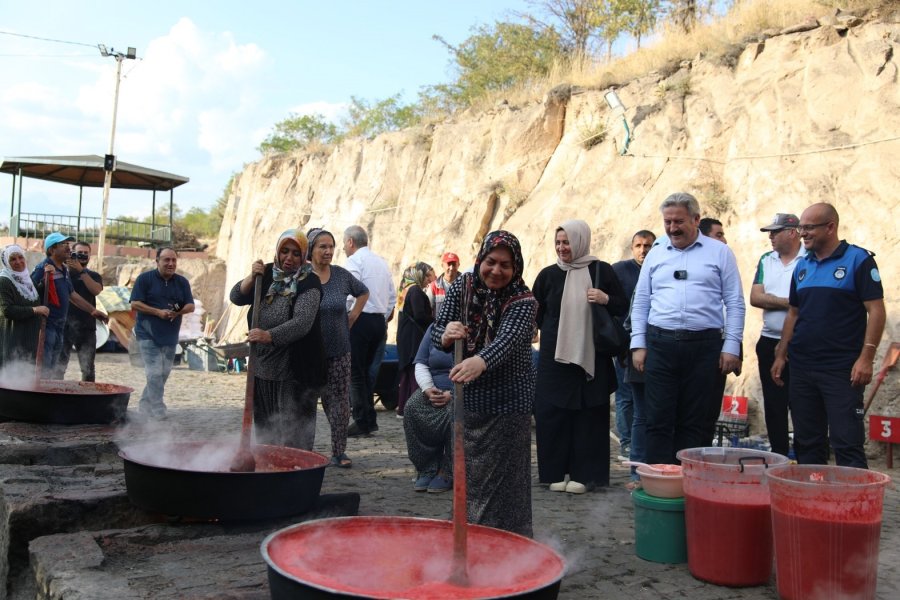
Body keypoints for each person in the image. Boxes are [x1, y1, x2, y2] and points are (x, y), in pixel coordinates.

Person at [433, 230, 538, 537]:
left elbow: (509, 339)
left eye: (505, 265)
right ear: (480, 259)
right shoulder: (462, 286)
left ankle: (508, 543)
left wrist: (481, 361)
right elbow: (439, 327)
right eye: (491, 262)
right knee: (468, 474)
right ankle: (468, 539)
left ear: (515, 267)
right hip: (468, 397)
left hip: (510, 399)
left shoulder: (524, 299)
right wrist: (446, 332)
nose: (496, 270)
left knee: (506, 480)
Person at [630, 193, 745, 464]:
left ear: (696, 219)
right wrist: (638, 344)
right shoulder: (656, 252)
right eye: (667, 222)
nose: (672, 228)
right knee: (657, 419)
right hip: (660, 344)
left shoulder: (720, 252)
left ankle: (688, 486)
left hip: (704, 348)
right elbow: (641, 301)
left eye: (679, 221)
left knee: (694, 421)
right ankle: (658, 484)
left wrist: (731, 346)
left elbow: (735, 302)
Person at [772, 203, 885, 468]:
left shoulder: (859, 260)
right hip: (802, 368)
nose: (802, 234)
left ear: (830, 227)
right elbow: (793, 314)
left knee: (846, 442)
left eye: (809, 227)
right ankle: (813, 504)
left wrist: (866, 358)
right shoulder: (802, 267)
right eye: (801, 228)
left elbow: (876, 311)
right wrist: (781, 354)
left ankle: (854, 507)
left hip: (841, 369)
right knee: (807, 442)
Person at [533, 220, 626, 494]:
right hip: (555, 358)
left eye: (567, 242)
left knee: (589, 416)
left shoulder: (601, 270)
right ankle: (554, 473)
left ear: (581, 241)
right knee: (553, 414)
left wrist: (605, 299)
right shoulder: (548, 275)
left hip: (591, 355)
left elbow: (623, 305)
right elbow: (534, 313)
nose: (562, 248)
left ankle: (586, 476)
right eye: (558, 243)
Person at [230, 230, 327, 449]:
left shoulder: (309, 282)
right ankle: (268, 466)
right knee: (266, 426)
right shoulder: (265, 273)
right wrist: (250, 276)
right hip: (263, 365)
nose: (289, 258)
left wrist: (269, 335)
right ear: (277, 252)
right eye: (284, 252)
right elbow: (236, 297)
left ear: (303, 256)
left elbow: (302, 323)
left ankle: (295, 471)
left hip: (294, 368)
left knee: (293, 428)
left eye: (295, 253)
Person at [307, 227, 369, 466]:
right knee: (308, 401)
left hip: (340, 349)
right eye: (322, 247)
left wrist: (352, 316)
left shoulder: (341, 276)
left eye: (331, 246)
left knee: (340, 402)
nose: (328, 251)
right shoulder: (303, 277)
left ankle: (339, 452)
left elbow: (363, 292)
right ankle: (305, 451)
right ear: (311, 250)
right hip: (310, 353)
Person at [749, 213, 803, 457]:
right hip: (769, 339)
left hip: (801, 342)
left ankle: (807, 456)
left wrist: (774, 301)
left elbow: (809, 302)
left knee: (802, 402)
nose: (770, 237)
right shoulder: (766, 259)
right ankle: (779, 455)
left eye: (775, 232)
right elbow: (755, 297)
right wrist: (790, 303)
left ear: (792, 232)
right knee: (774, 403)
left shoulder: (809, 258)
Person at [343, 225, 397, 437]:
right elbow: (392, 296)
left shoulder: (355, 261)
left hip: (360, 319)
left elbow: (350, 291)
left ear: (350, 242)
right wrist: (383, 317)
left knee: (356, 373)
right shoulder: (381, 262)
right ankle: (368, 420)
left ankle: (361, 420)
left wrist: (349, 315)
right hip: (378, 321)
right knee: (367, 373)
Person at [31, 232, 108, 379]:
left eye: (68, 244)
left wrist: (93, 311)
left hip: (61, 326)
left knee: (55, 366)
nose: (68, 248)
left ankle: (53, 397)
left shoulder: (63, 269)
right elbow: (30, 293)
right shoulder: (43, 268)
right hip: (48, 326)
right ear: (52, 250)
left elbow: (72, 295)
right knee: (47, 367)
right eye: (64, 245)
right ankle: (42, 398)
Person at [130, 247, 195, 420]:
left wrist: (178, 312)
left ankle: (144, 406)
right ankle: (158, 410)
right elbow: (135, 303)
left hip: (170, 336)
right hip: (147, 334)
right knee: (154, 373)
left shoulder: (182, 282)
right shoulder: (145, 279)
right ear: (157, 261)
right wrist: (157, 312)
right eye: (166, 260)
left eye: (173, 260)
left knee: (163, 373)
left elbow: (190, 305)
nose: (171, 263)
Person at [611, 230, 656, 461]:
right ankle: (627, 442)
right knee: (625, 395)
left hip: (654, 344)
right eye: (638, 245)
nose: (643, 250)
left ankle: (642, 443)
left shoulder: (660, 268)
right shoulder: (619, 270)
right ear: (632, 248)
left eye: (647, 245)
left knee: (647, 398)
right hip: (624, 344)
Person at [403, 323, 454, 493]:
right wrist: (427, 388)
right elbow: (421, 363)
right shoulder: (434, 328)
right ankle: (427, 467)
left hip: (464, 390)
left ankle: (449, 470)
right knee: (412, 408)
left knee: (455, 413)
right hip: (433, 388)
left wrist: (453, 393)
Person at [58, 241, 104, 381]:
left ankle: (88, 399)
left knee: (88, 369)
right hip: (64, 326)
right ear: (72, 254)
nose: (83, 255)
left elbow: (95, 290)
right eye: (79, 253)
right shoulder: (62, 273)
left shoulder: (93, 275)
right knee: (59, 367)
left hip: (86, 328)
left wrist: (81, 271)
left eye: (86, 253)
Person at [0, 245, 49, 368]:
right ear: (6, 262)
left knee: (26, 376)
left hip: (29, 339)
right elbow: (7, 310)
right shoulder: (4, 281)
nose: (18, 262)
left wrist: (47, 279)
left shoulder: (27, 279)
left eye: (20, 257)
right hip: (13, 339)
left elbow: (33, 298)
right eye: (12, 259)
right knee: (12, 376)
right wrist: (35, 310)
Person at [396, 262, 435, 417]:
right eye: (426, 276)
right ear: (418, 274)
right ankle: (415, 410)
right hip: (414, 338)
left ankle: (403, 409)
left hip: (406, 337)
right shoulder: (415, 290)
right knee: (414, 373)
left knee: (407, 374)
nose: (429, 281)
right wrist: (435, 321)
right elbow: (419, 315)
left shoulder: (406, 289)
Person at [426, 251, 460, 318]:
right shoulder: (434, 286)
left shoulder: (465, 284)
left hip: (460, 327)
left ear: (458, 265)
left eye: (454, 264)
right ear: (442, 265)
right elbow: (427, 310)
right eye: (449, 264)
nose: (451, 268)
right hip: (440, 327)